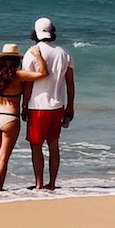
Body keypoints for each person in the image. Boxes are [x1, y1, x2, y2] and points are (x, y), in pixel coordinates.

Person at [0, 42, 47, 194]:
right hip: (10, 117)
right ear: (16, 60)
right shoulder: (18, 75)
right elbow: (43, 74)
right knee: (4, 157)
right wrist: (38, 57)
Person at [22, 17, 75, 191]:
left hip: (37, 106)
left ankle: (38, 184)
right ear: (53, 31)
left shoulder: (32, 52)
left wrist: (24, 105)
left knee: (36, 147)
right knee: (54, 145)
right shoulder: (64, 53)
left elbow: (28, 82)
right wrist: (70, 106)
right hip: (57, 106)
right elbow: (70, 83)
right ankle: (51, 184)